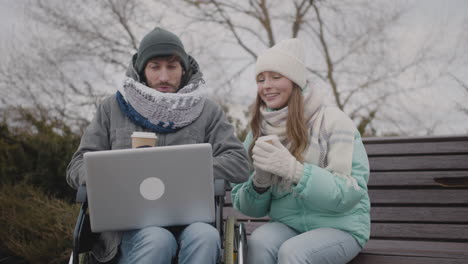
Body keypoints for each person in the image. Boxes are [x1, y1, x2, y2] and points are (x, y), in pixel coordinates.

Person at [66, 27, 250, 264]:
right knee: (158, 239)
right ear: (142, 70)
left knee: (205, 236)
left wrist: (187, 169)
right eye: (155, 67)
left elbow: (239, 164)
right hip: (126, 230)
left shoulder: (208, 112)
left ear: (183, 69)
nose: (164, 77)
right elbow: (76, 166)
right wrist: (111, 173)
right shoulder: (111, 108)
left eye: (171, 67)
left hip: (192, 222)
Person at [231, 38, 370, 264]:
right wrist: (260, 182)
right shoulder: (258, 132)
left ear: (295, 81)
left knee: (293, 252)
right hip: (289, 225)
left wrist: (295, 171)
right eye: (261, 79)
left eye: (276, 77)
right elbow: (248, 208)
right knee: (260, 240)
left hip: (340, 227)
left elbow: (349, 194)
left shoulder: (334, 122)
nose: (266, 85)